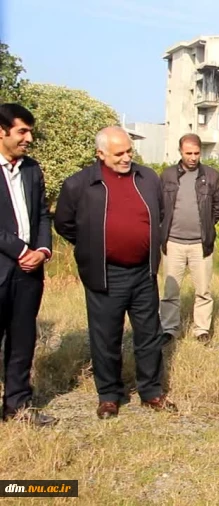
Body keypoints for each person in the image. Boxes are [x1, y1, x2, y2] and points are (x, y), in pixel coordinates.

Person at [54, 126, 177, 419]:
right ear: (101, 154)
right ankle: (109, 395)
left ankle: (151, 391)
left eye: (129, 152)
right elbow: (64, 224)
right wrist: (93, 246)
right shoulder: (79, 184)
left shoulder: (147, 178)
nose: (126, 158)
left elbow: (160, 214)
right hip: (105, 274)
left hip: (143, 273)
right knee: (106, 337)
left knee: (149, 334)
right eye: (118, 153)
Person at [0, 103, 55, 426]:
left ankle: (17, 405)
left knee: (22, 341)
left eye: (30, 131)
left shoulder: (32, 169)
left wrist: (43, 250)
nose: (29, 138)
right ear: (2, 131)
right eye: (22, 131)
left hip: (29, 273)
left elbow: (42, 216)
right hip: (6, 266)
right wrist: (22, 249)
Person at [159, 133, 219, 345]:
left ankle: (201, 330)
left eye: (196, 153)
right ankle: (169, 329)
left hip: (201, 244)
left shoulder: (212, 176)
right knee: (170, 290)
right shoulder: (167, 176)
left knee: (204, 290)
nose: (193, 157)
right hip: (173, 242)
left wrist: (205, 226)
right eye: (188, 153)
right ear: (180, 151)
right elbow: (159, 207)